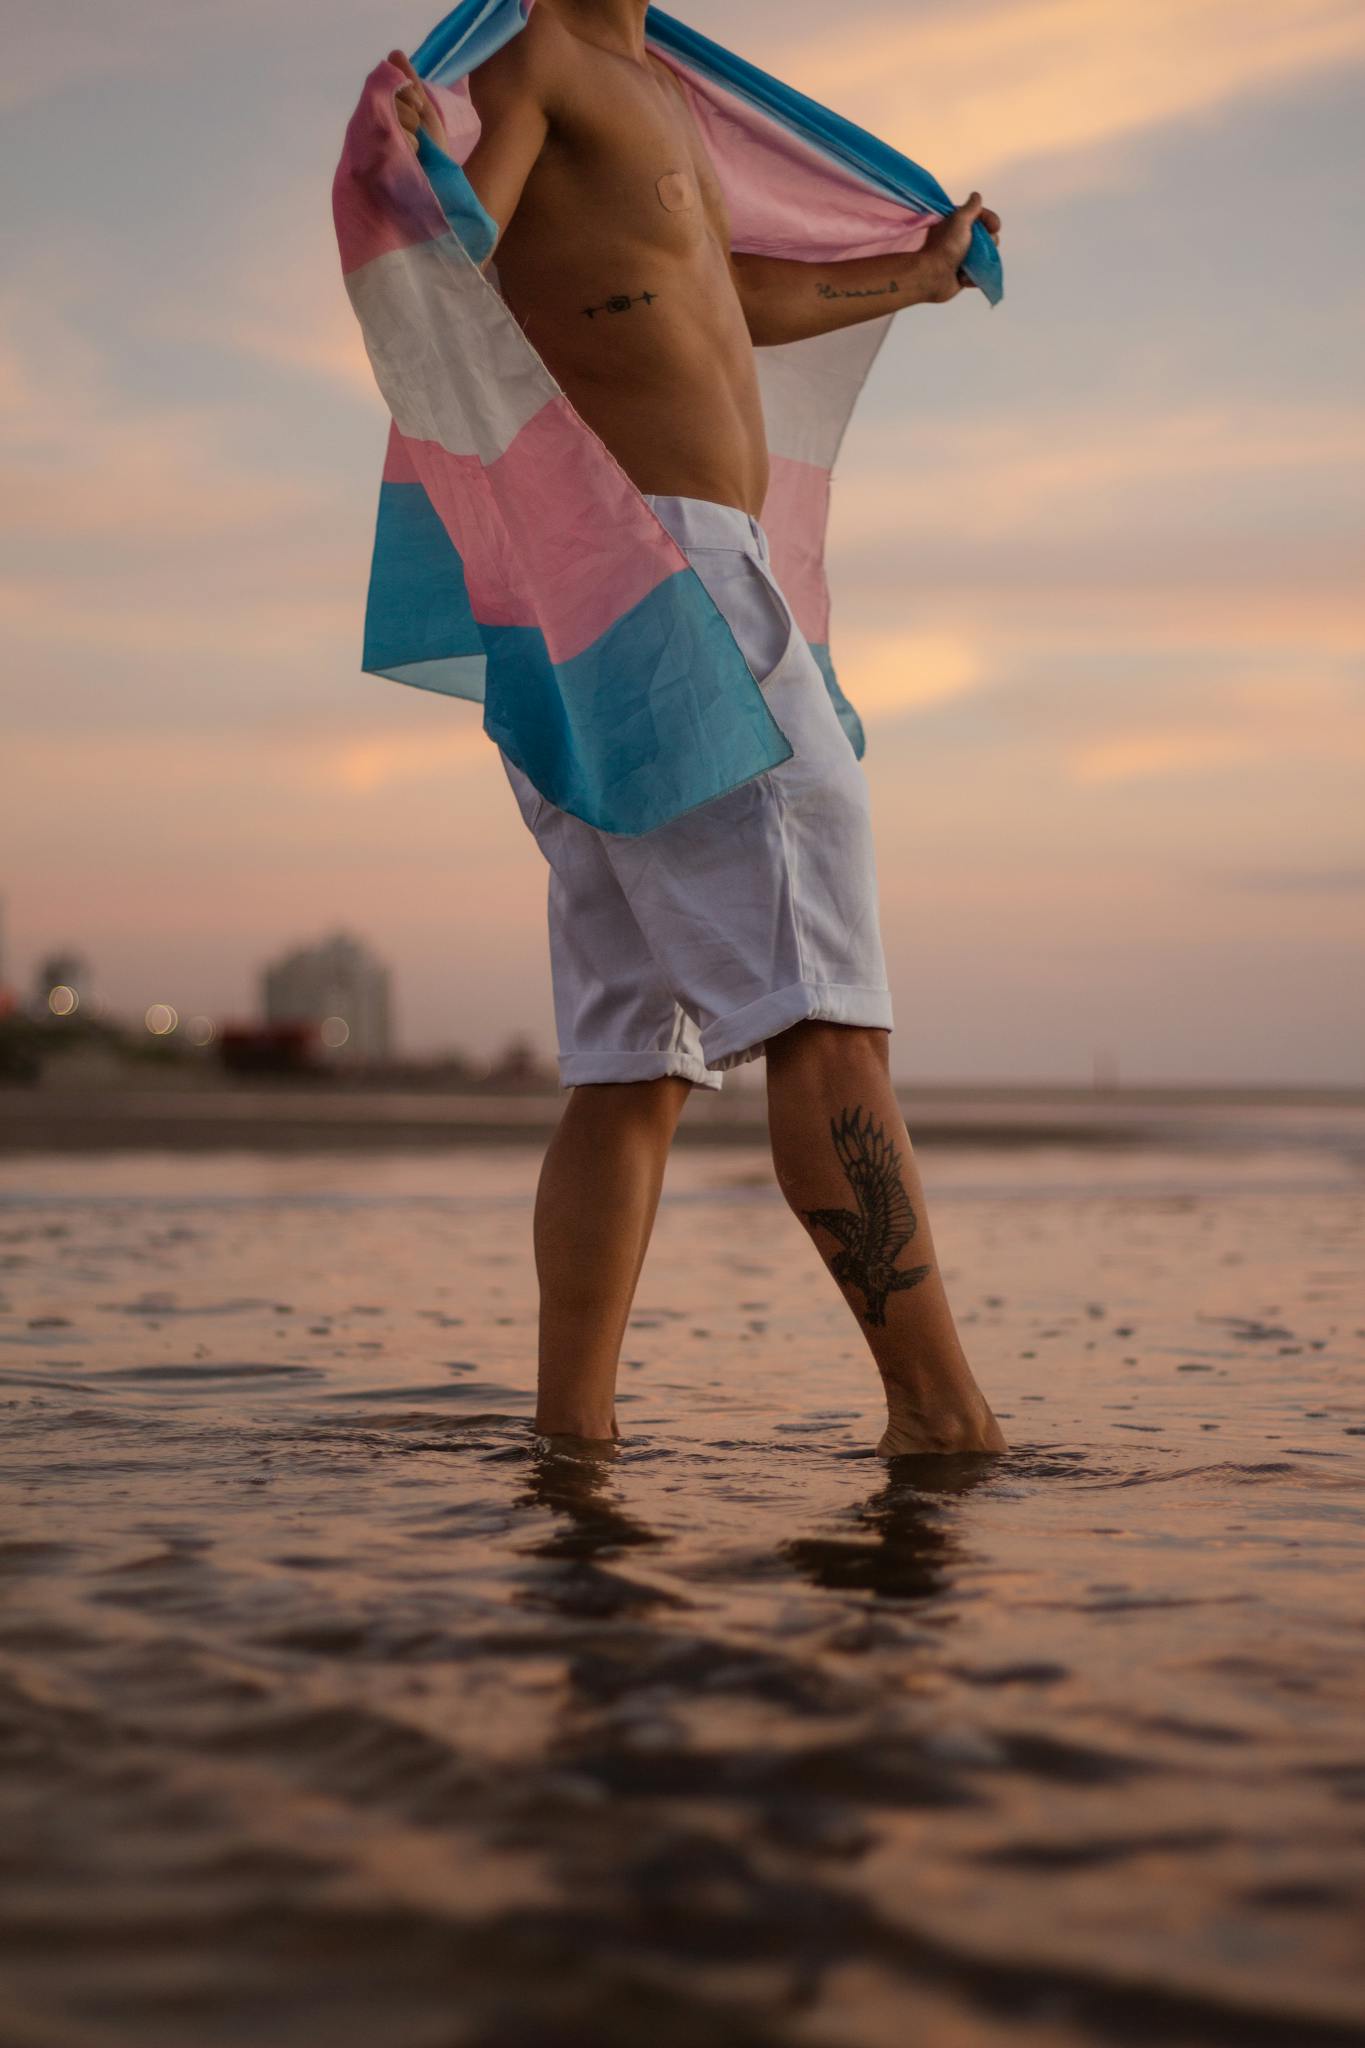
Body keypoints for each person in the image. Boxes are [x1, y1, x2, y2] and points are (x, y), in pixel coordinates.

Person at [386, 1, 1006, 1458]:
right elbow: (460, 261)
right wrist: (425, 176)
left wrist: (905, 282)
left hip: (595, 612)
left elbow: (724, 299)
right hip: (669, 591)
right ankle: (939, 1417)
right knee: (827, 1020)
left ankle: (571, 1445)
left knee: (632, 1066)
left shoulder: (655, 87)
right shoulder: (534, 65)